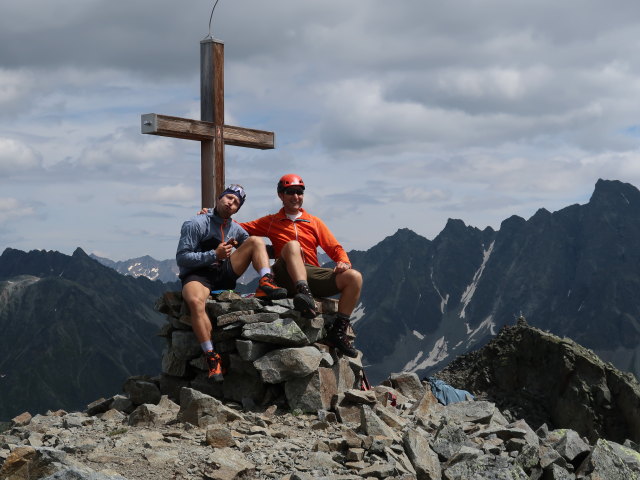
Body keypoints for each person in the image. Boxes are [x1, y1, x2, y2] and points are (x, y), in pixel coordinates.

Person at [240, 174, 363, 358]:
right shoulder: (272, 220)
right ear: (281, 195)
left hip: (310, 272)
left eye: (299, 192)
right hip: (284, 275)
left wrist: (343, 261)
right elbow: (240, 227)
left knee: (354, 277)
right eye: (290, 192)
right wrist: (212, 215)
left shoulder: (314, 222)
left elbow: (334, 247)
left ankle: (337, 333)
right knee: (292, 245)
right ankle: (304, 294)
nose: (296, 196)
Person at [176, 184, 287, 380]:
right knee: (194, 302)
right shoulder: (195, 223)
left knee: (255, 241)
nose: (231, 203)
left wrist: (288, 250)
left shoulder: (236, 229)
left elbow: (256, 249)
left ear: (238, 209)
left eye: (236, 202)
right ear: (219, 198)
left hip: (224, 272)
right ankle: (212, 356)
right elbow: (182, 258)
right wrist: (214, 254)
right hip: (198, 275)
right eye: (228, 198)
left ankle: (266, 282)